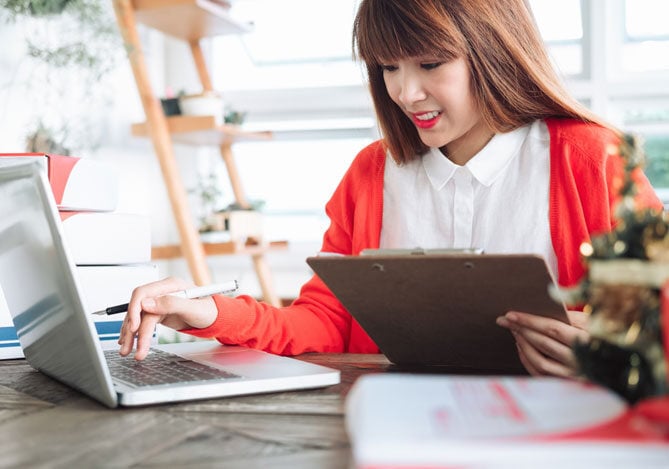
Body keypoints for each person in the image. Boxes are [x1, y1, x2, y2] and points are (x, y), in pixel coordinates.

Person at [119, 0, 663, 377]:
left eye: (431, 63)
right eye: (387, 67)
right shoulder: (370, 174)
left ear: (494, 51)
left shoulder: (592, 159)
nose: (405, 92)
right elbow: (325, 324)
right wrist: (211, 313)